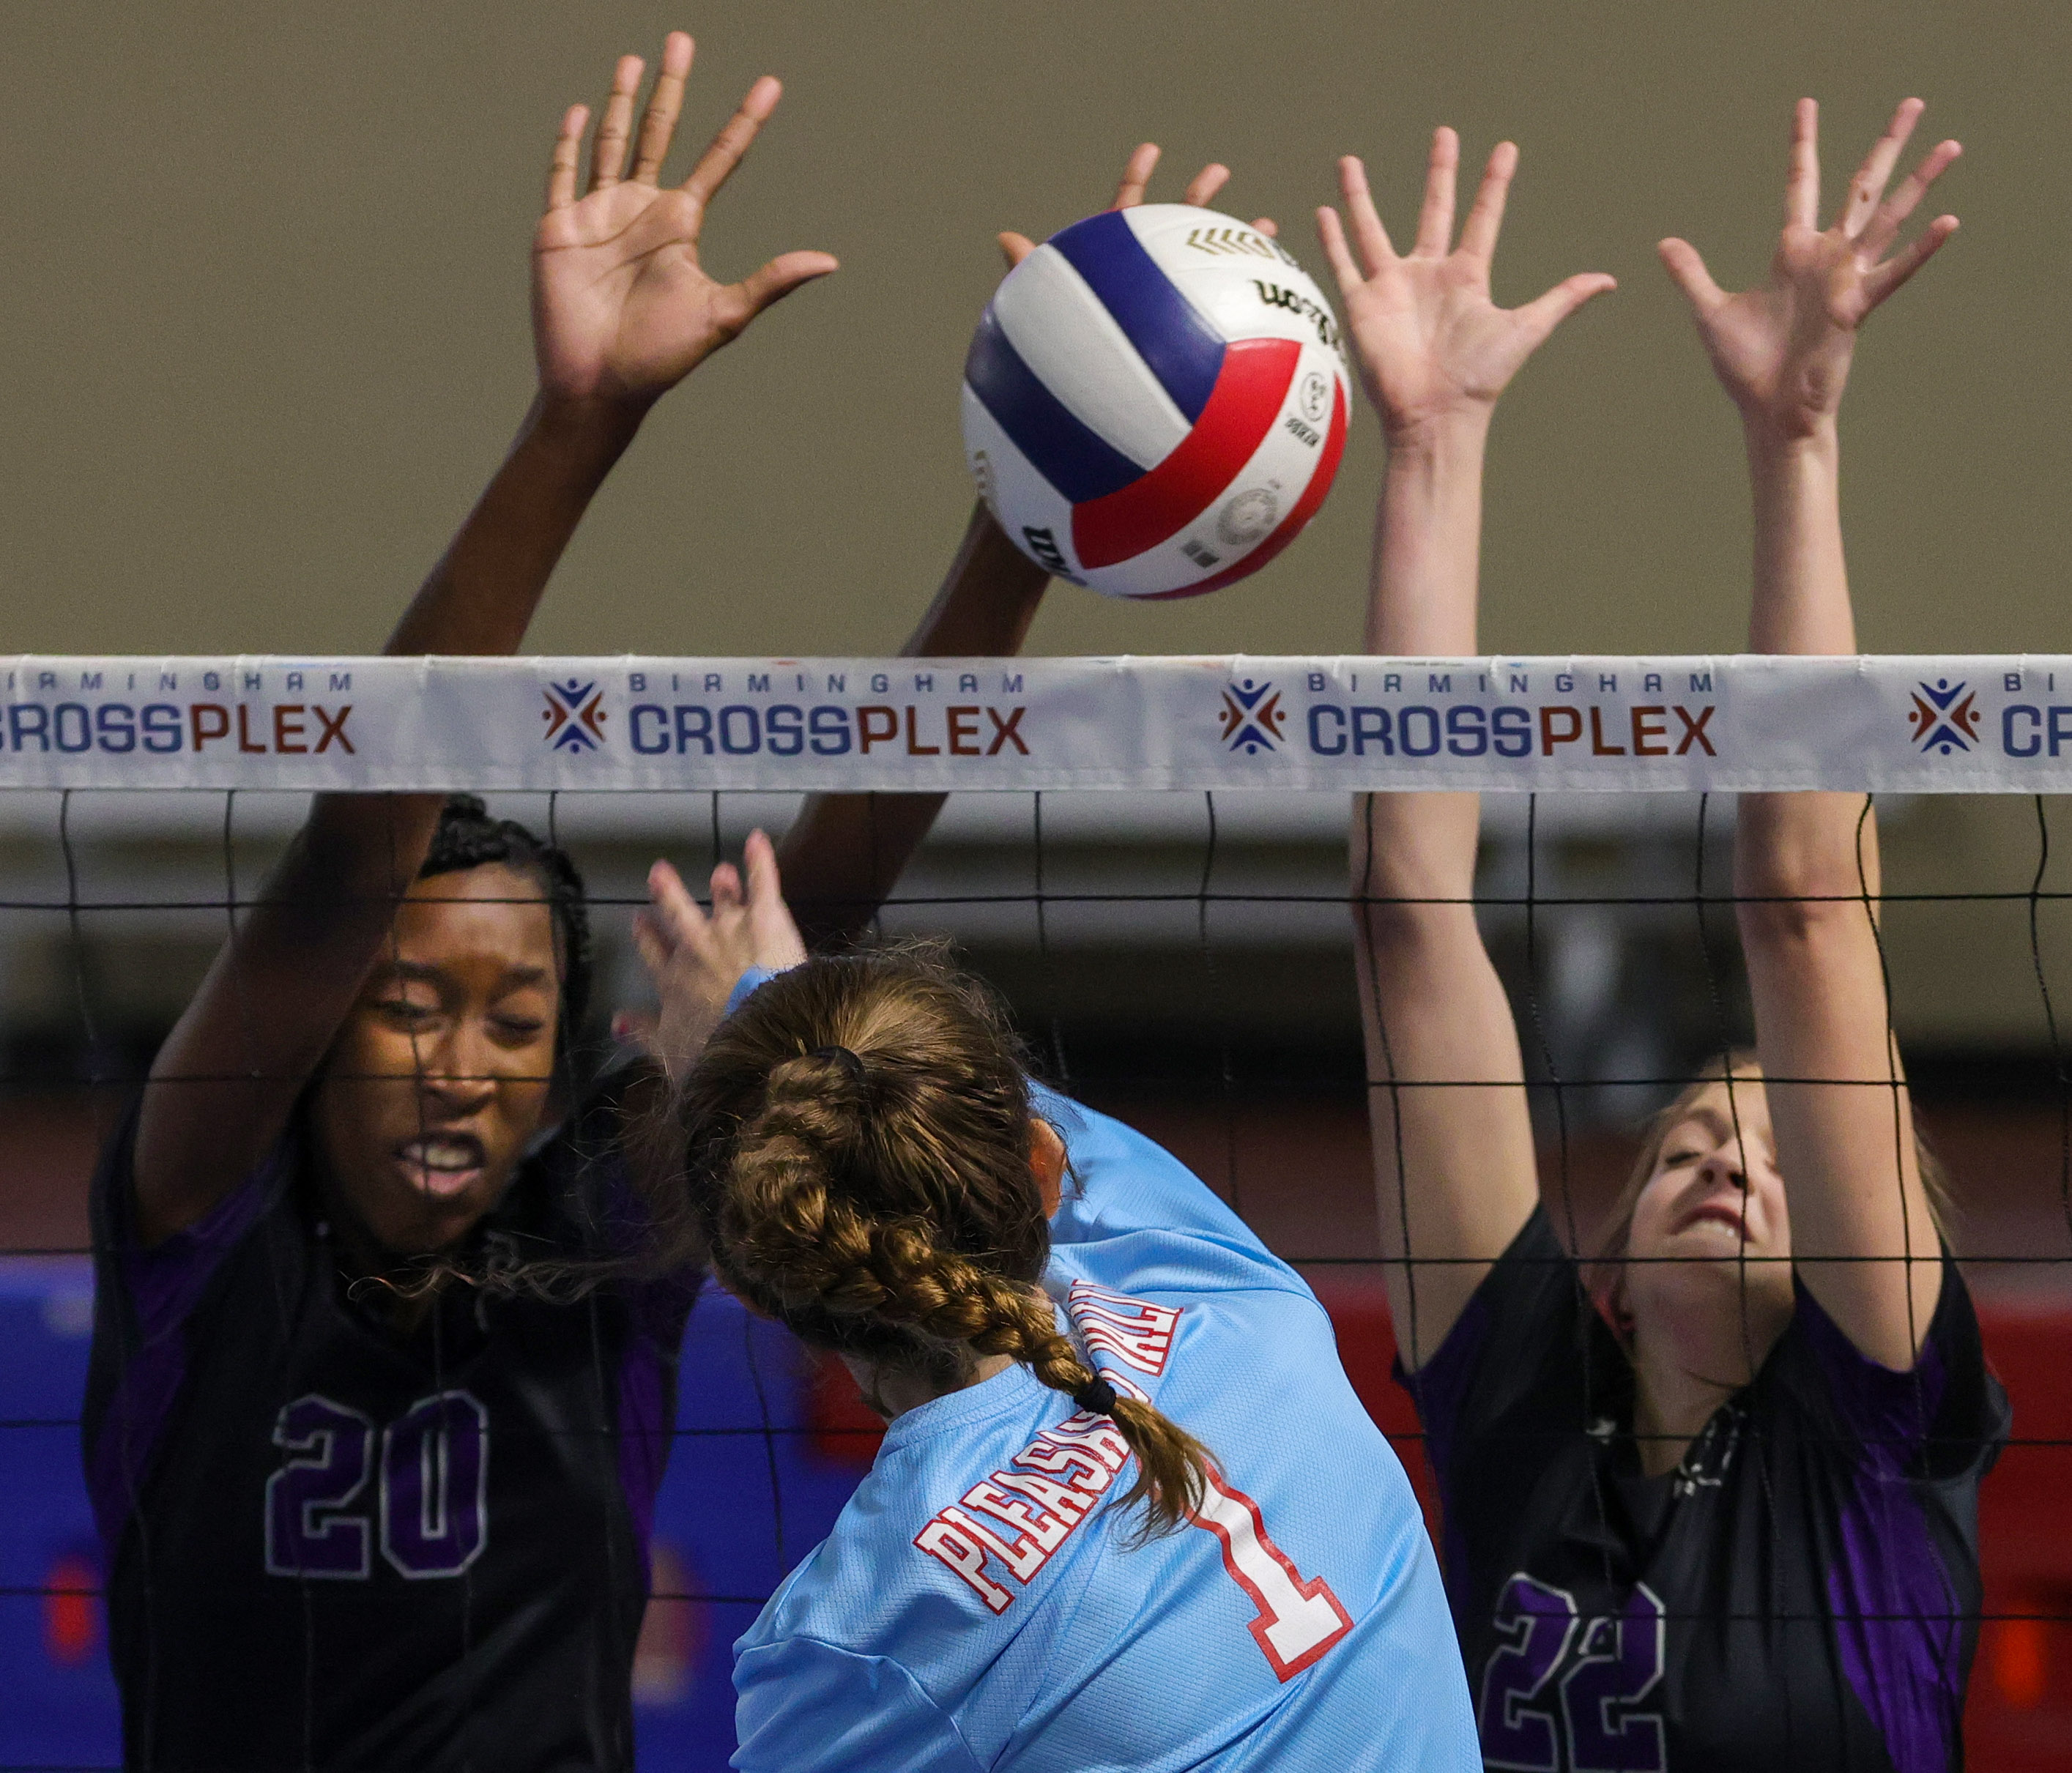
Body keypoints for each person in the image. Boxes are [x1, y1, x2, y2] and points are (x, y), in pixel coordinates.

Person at [82, 34, 1064, 1772]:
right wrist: (579, 424)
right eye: (411, 1004)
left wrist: (1031, 524)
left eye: (517, 1017)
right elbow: (341, 858)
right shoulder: (200, 1227)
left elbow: (818, 905)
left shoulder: (592, 1248)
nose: (465, 1060)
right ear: (315, 1040)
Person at [1334, 103, 2008, 1767]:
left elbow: (1803, 903)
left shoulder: (1877, 1437)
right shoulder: (1517, 1425)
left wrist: (1796, 443)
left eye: (1775, 1146)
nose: (1728, 1154)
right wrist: (1428, 442)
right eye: (1696, 1137)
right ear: (1613, 1263)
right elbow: (1405, 918)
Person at [624, 858, 1480, 1771]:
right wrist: (767, 993)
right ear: (1039, 1166)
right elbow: (962, 1110)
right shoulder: (1218, 1289)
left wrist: (759, 1028)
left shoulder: (856, 1636)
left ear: (754, 1285)